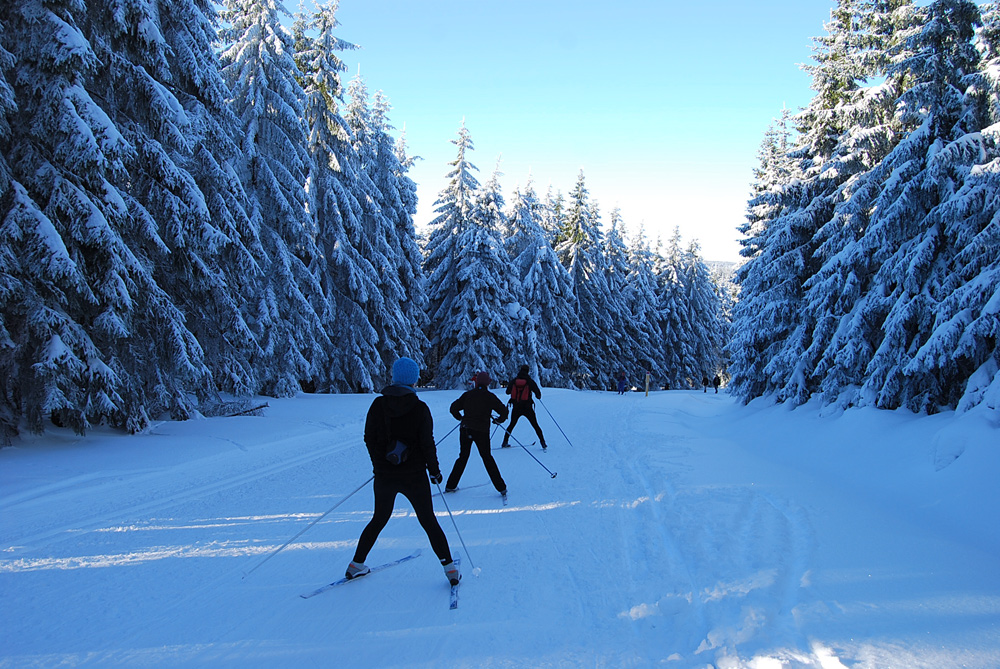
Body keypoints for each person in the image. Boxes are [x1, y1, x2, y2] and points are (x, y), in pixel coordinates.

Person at [346, 357, 460, 587]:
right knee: (428, 521)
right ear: (414, 380)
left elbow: (369, 439)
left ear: (395, 377)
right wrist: (435, 472)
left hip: (385, 476)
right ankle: (450, 570)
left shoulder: (378, 405)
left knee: (379, 519)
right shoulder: (420, 408)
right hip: (414, 476)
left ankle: (356, 564)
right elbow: (427, 443)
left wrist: (379, 465)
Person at [445, 371, 508, 500]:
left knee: (463, 457)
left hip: (465, 429)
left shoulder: (468, 395)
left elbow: (453, 408)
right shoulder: (489, 396)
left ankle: (451, 485)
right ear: (487, 383)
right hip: (482, 431)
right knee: (487, 457)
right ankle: (501, 488)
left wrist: (460, 418)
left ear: (477, 382)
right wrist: (498, 420)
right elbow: (504, 411)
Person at [502, 365, 547, 450]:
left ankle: (505, 441)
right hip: (527, 407)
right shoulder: (530, 381)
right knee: (535, 425)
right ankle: (543, 442)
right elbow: (538, 394)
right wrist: (537, 396)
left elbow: (507, 392)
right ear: (528, 371)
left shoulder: (514, 381)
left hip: (516, 407)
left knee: (511, 425)